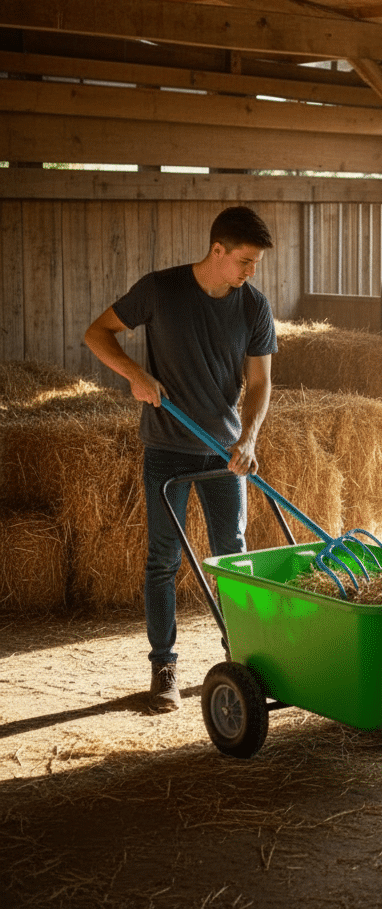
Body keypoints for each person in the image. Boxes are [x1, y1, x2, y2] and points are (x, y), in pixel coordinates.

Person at [84, 206, 277, 712]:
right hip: (167, 448)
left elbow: (259, 383)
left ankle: (242, 655)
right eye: (245, 261)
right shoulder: (159, 290)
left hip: (223, 452)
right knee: (164, 559)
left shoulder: (253, 306)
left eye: (255, 264)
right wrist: (134, 374)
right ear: (218, 251)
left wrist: (249, 439)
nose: (250, 272)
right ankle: (164, 663)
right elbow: (96, 334)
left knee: (232, 557)